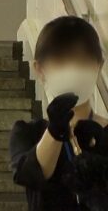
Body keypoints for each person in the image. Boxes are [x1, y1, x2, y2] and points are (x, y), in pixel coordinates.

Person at [10, 15, 108, 211]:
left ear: (99, 65)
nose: (73, 68)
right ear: (39, 69)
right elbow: (31, 175)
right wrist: (55, 131)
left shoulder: (103, 132)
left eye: (83, 61)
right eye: (61, 61)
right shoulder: (28, 132)